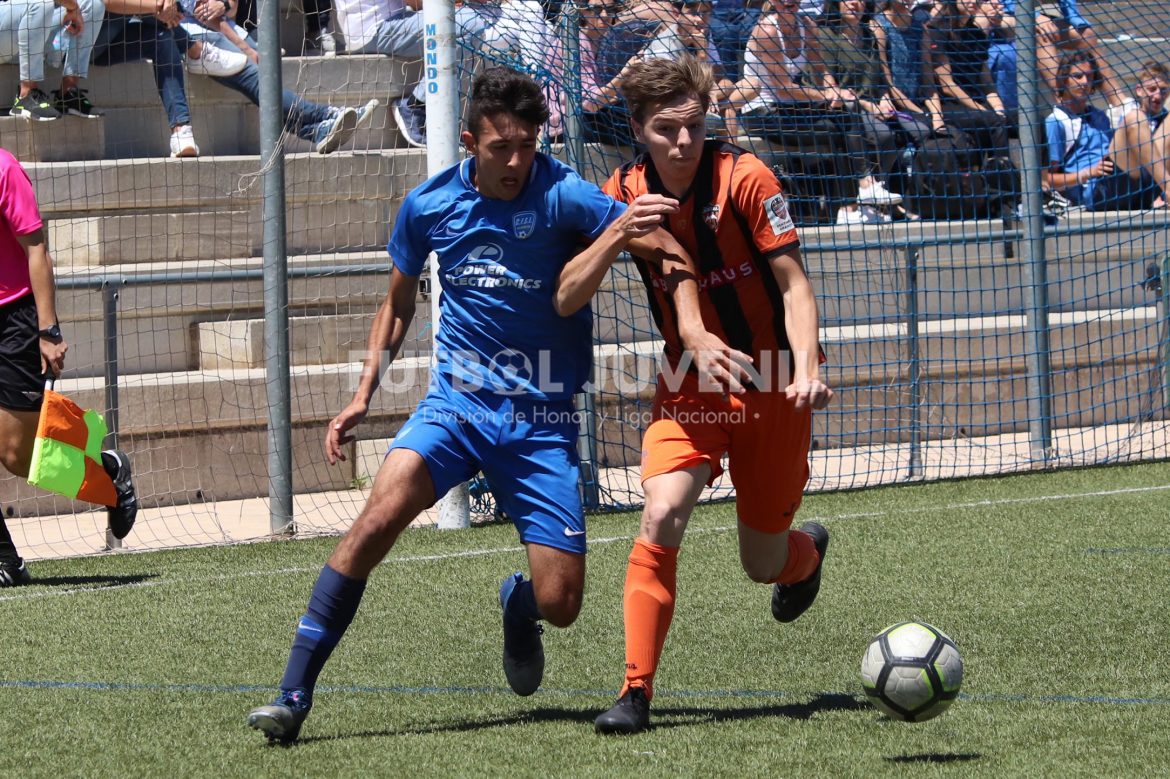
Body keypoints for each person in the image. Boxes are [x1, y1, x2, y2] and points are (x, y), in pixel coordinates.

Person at [244, 65, 741, 743]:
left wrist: (690, 320)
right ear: (469, 140)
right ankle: (292, 694)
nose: (515, 162)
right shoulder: (427, 205)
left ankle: (520, 602)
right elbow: (397, 304)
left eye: (527, 147)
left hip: (544, 423)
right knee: (374, 522)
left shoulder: (564, 192)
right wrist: (363, 394)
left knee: (561, 604)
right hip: (457, 407)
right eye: (500, 147)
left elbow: (659, 244)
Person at [592, 54, 834, 734]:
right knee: (661, 512)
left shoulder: (748, 178)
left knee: (763, 563)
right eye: (666, 128)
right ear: (639, 128)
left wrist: (808, 364)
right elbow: (655, 269)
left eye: (694, 126)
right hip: (687, 385)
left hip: (773, 388)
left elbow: (793, 284)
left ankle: (804, 554)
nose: (682, 142)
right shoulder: (623, 189)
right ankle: (635, 692)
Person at [0, 148, 138, 587]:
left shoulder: (4, 168)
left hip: (13, 321)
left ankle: (108, 469)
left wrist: (48, 330)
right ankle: (6, 561)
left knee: (17, 456)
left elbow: (36, 248)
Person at [1042, 51, 1170, 212]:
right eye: (1078, 76)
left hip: (1132, 187)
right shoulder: (1056, 122)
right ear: (1064, 80)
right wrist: (1088, 173)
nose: (1085, 82)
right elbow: (1046, 180)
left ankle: (1163, 193)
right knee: (1134, 118)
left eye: (1089, 77)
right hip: (1096, 194)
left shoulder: (1099, 116)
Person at [0, 0, 105, 120]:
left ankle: (68, 94)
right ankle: (25, 96)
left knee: (92, 4)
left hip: (22, 33)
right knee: (41, 2)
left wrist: (72, 10)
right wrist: (73, 7)